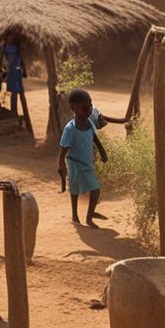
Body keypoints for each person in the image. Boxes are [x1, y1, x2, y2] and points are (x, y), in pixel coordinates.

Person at [58, 88, 102, 227]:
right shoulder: (70, 129)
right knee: (75, 189)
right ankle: (75, 215)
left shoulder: (89, 124)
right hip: (74, 163)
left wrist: (100, 153)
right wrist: (61, 165)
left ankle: (89, 218)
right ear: (74, 107)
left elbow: (94, 139)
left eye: (89, 107)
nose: (88, 110)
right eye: (84, 108)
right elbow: (63, 150)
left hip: (87, 163)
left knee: (95, 189)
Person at [0, 32, 27, 120]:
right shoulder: (8, 48)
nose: (10, 38)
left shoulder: (11, 48)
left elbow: (21, 60)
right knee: (15, 93)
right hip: (13, 71)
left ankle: (15, 113)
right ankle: (14, 113)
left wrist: (24, 70)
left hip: (15, 71)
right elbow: (3, 60)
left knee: (17, 92)